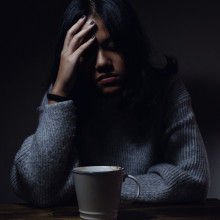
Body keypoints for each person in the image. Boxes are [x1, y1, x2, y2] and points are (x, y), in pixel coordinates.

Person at [11, 0, 210, 207]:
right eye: (87, 52)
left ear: (132, 46)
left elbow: (193, 180)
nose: (102, 62)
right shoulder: (63, 95)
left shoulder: (166, 90)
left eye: (113, 47)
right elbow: (38, 187)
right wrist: (59, 93)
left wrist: (95, 189)